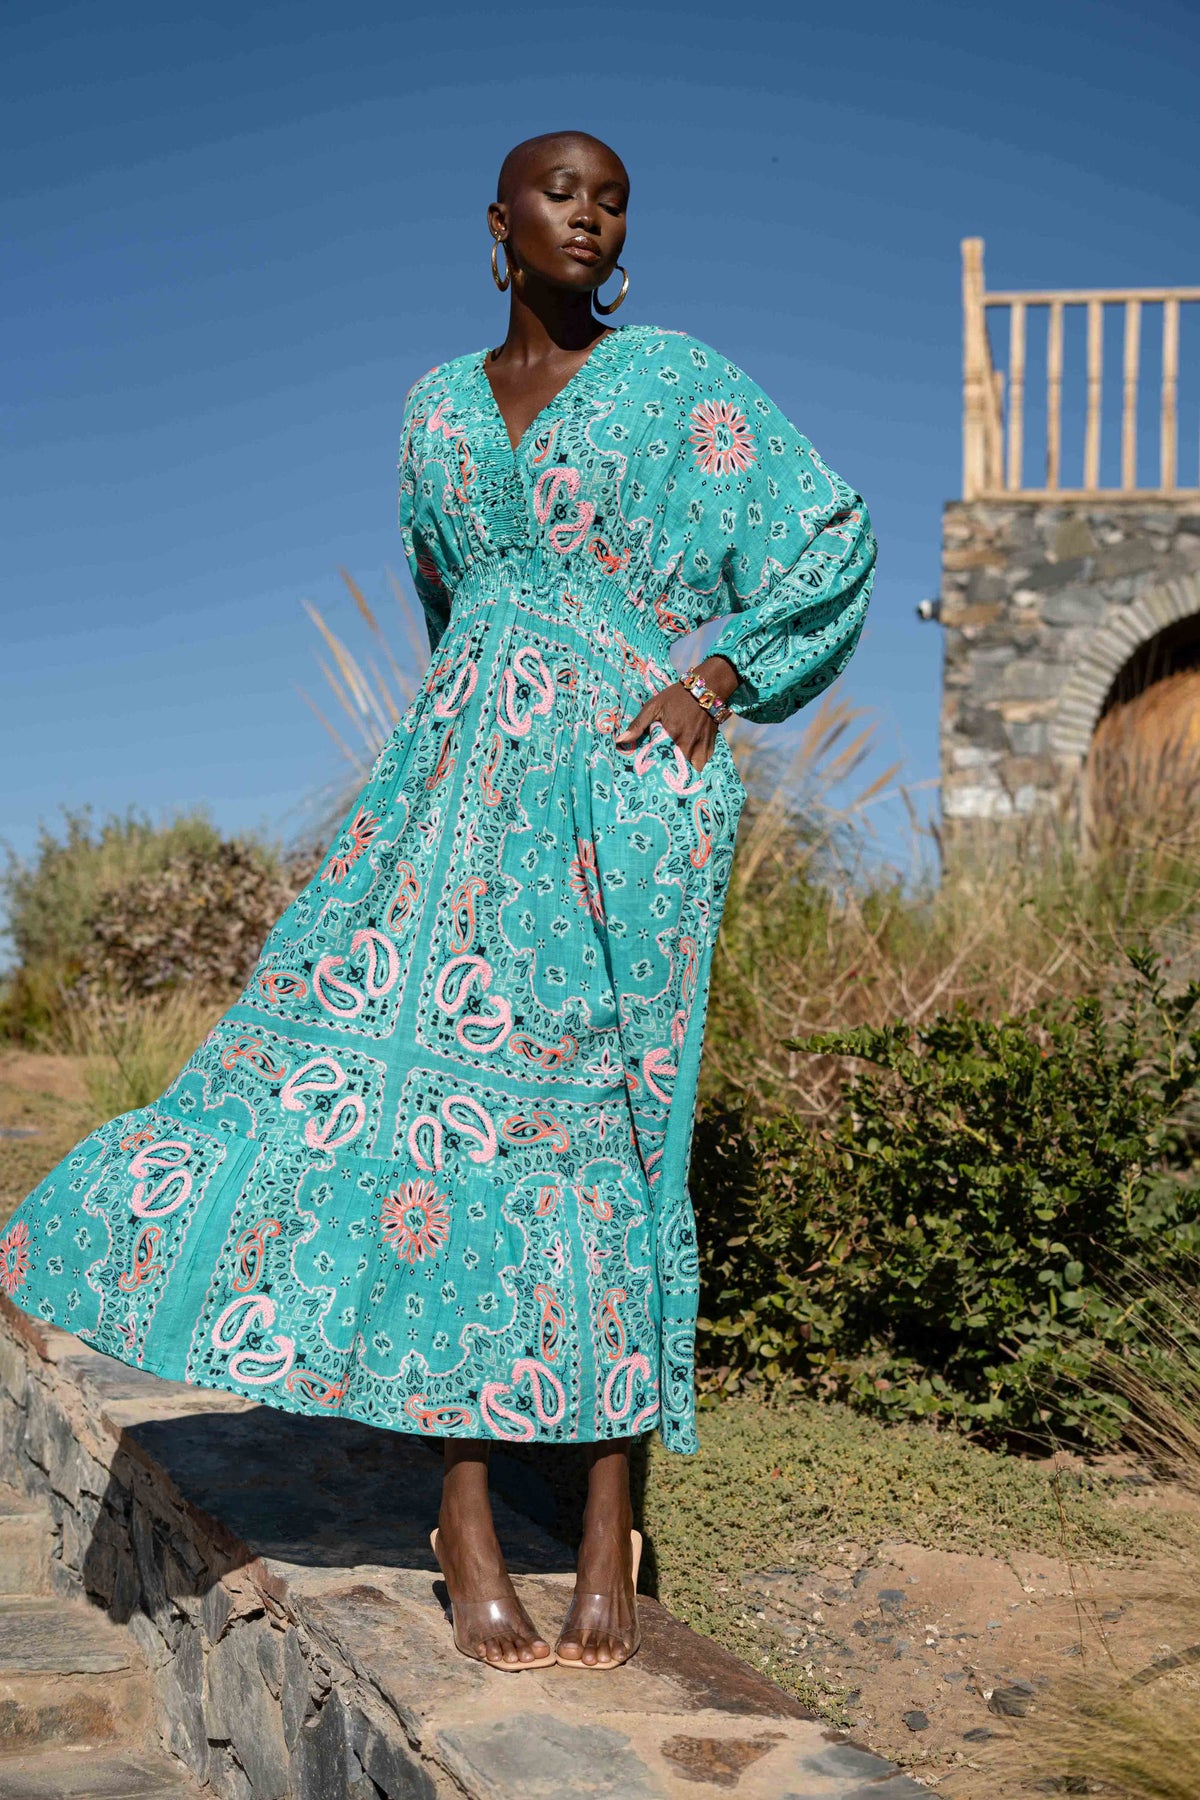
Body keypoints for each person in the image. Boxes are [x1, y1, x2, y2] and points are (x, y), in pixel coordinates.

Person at [2, 129, 875, 1673]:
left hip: (623, 789)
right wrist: (467, 741)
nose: (590, 216)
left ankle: (609, 1524)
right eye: (561, 192)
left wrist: (712, 682)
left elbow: (831, 538)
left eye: (614, 198)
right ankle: (462, 1513)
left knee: (610, 1138)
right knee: (434, 1132)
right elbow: (442, 604)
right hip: (456, 796)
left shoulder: (673, 382)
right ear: (499, 220)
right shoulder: (434, 414)